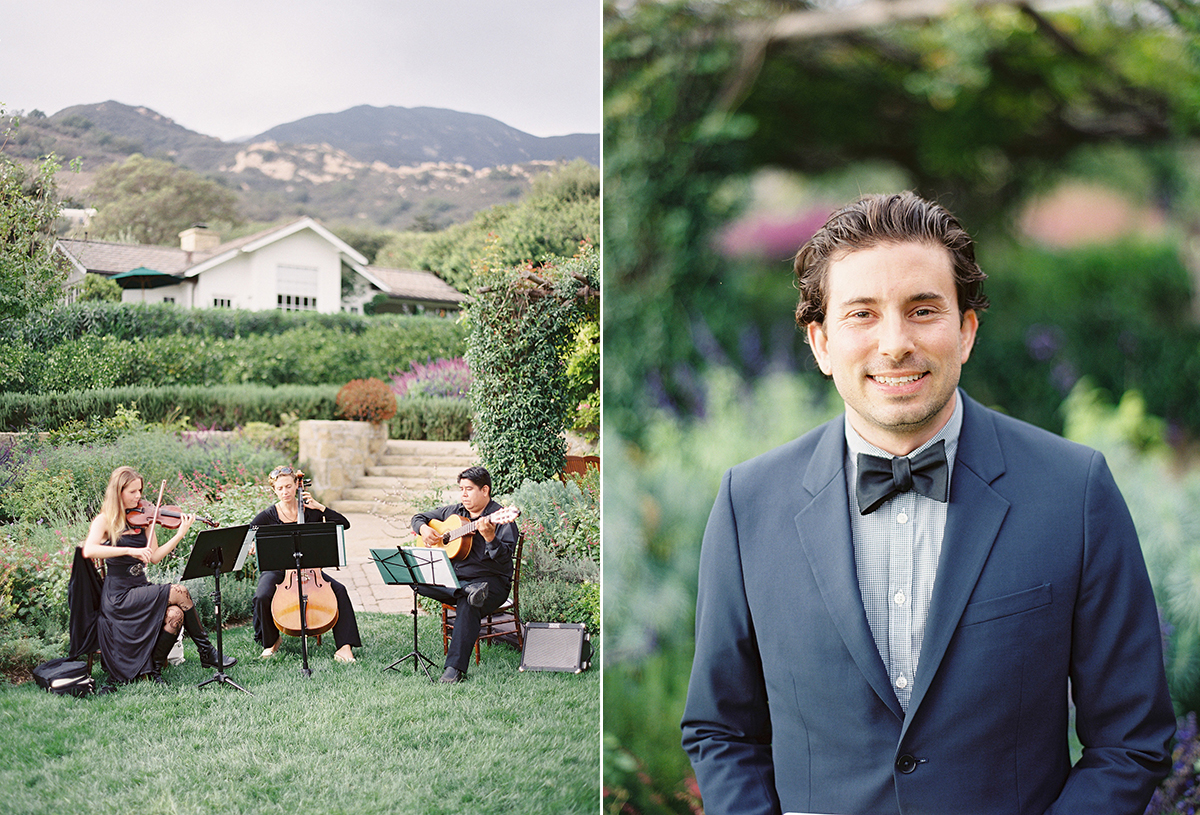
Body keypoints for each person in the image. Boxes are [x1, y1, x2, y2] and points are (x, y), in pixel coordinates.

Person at [680, 192, 1175, 814]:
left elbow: (1133, 740)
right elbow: (721, 731)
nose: (895, 343)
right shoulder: (746, 504)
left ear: (965, 330)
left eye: (922, 310)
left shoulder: (1075, 491)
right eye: (861, 313)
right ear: (820, 343)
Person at [81, 466, 236, 684]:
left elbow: (154, 557)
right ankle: (207, 651)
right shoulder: (105, 520)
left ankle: (153, 670)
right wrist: (129, 550)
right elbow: (89, 550)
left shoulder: (144, 519)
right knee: (180, 591)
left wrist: (180, 534)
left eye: (140, 491)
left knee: (175, 614)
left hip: (139, 587)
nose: (138, 497)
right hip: (119, 597)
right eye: (132, 492)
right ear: (118, 492)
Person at [410, 466, 518, 683]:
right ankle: (466, 590)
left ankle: (453, 670)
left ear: (485, 490)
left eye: (469, 489)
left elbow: (505, 560)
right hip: (458, 582)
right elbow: (418, 517)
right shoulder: (455, 512)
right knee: (415, 580)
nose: (464, 495)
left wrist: (490, 538)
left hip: (491, 583)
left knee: (470, 602)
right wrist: (423, 529)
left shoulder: (500, 518)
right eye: (461, 489)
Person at [250, 465, 361, 663]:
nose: (285, 492)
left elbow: (344, 524)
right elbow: (249, 535)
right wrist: (251, 544)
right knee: (262, 595)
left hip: (310, 570)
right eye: (280, 488)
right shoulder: (268, 515)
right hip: (279, 570)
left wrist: (321, 508)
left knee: (340, 590)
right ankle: (272, 641)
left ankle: (344, 647)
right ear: (274, 490)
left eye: (288, 486)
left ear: (296, 485)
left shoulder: (311, 512)